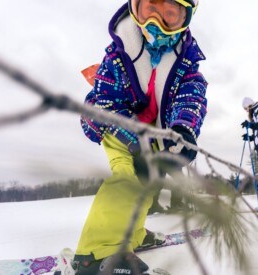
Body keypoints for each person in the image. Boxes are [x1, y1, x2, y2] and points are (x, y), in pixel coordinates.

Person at [74, 0, 207, 274]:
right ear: (134, 7)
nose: (155, 23)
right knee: (127, 178)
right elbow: (105, 104)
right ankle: (96, 253)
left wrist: (183, 132)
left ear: (186, 19)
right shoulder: (118, 56)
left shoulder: (186, 63)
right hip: (118, 128)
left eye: (169, 14)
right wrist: (134, 141)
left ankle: (132, 236)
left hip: (154, 135)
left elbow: (191, 97)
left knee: (148, 184)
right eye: (150, 9)